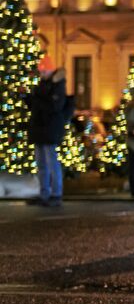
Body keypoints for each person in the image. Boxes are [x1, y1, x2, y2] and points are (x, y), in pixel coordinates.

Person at [25, 59, 74, 209]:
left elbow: (54, 107)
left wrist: (36, 100)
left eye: (43, 70)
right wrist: (28, 99)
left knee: (51, 162)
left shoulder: (58, 85)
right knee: (42, 163)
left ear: (51, 70)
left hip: (50, 128)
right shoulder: (44, 84)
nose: (41, 73)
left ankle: (56, 194)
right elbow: (37, 106)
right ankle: (44, 194)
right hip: (40, 128)